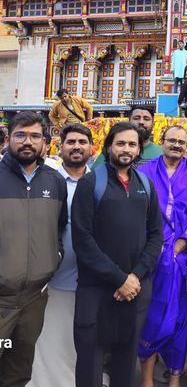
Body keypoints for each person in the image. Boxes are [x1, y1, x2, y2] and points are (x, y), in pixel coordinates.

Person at [71, 121, 163, 387]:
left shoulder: (145, 184)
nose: (126, 149)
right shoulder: (91, 183)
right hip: (97, 290)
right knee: (90, 362)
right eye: (120, 143)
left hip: (135, 289)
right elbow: (82, 239)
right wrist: (119, 279)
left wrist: (135, 276)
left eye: (132, 144)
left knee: (125, 363)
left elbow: (156, 234)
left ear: (138, 150)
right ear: (109, 146)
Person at [0, 111, 67, 386]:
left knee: (18, 370)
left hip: (33, 299)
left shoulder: (55, 180)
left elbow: (59, 228)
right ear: (8, 139)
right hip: (1, 299)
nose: (28, 141)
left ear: (44, 142)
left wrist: (54, 257)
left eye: (35, 136)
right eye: (20, 135)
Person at [139, 125, 187, 387]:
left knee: (180, 318)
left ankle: (175, 378)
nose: (176, 145)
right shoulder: (144, 171)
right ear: (161, 141)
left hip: (182, 259)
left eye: (182, 142)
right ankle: (146, 378)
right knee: (151, 316)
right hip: (150, 258)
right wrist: (151, 247)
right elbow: (137, 209)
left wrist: (180, 244)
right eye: (172, 141)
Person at [29, 124, 93, 387]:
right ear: (60, 146)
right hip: (51, 280)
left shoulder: (101, 181)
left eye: (82, 142)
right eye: (70, 142)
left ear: (92, 148)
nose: (76, 146)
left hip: (90, 281)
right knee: (49, 342)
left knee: (80, 345)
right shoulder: (46, 180)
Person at [92, 105, 162, 168]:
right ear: (129, 121)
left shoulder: (161, 154)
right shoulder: (113, 151)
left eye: (146, 119)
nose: (141, 122)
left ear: (153, 124)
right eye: (136, 118)